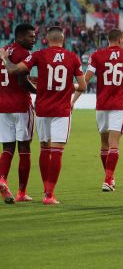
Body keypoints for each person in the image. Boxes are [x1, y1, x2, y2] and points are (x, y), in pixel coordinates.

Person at [0, 26, 86, 205]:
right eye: (31, 36)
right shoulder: (71, 57)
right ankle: (40, 193)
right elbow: (83, 86)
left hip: (26, 107)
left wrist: (5, 57)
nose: (34, 39)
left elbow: (16, 71)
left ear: (47, 39)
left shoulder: (33, 54)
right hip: (44, 108)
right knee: (42, 150)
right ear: (63, 39)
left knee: (26, 148)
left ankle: (5, 180)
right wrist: (59, 89)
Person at [71, 29, 123, 192]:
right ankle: (108, 179)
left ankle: (109, 177)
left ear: (108, 40)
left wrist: (72, 100)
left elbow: (85, 81)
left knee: (104, 144)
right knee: (114, 144)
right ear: (121, 40)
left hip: (101, 105)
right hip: (118, 105)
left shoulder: (96, 55)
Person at [0, 23, 37, 203]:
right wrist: (40, 91)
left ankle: (1, 179)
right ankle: (22, 192)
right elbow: (23, 82)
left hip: (2, 106)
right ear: (20, 36)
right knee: (24, 148)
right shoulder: (25, 54)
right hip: (21, 106)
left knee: (7, 148)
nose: (34, 40)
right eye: (31, 36)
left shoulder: (3, 52)